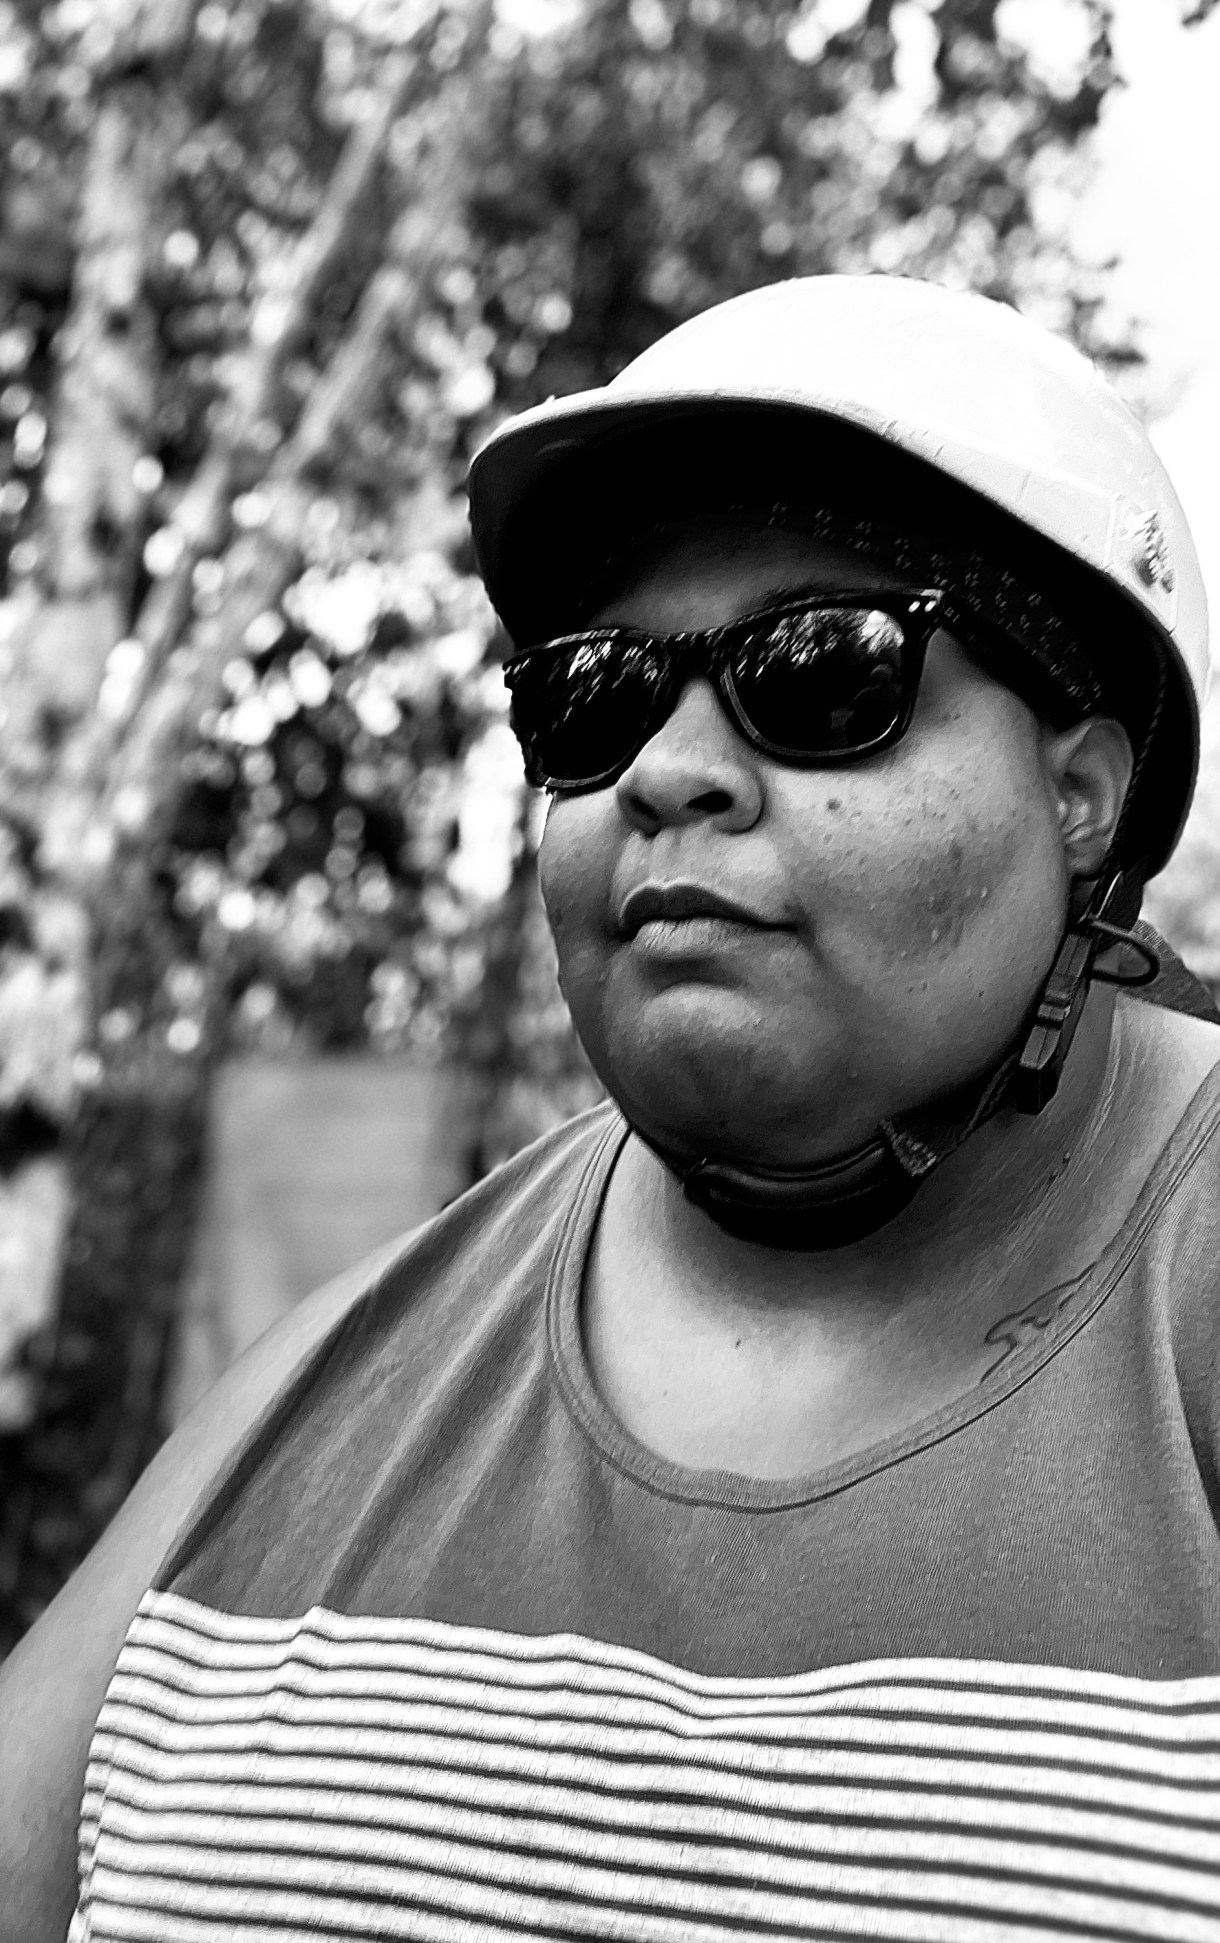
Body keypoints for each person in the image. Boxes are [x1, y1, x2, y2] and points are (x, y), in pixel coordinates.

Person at [3, 274, 1220, 1942]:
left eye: (822, 669)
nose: (664, 766)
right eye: (596, 693)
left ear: (1081, 794)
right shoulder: (348, 1360)